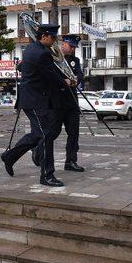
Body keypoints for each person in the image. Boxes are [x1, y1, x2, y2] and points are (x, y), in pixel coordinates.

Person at [0, 24, 73, 187]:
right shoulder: (42, 54)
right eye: (53, 38)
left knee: (37, 134)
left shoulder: (31, 48)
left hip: (31, 100)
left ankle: (10, 156)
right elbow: (52, 77)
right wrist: (66, 82)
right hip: (36, 101)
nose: (55, 42)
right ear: (44, 36)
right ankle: (47, 175)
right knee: (46, 135)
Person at [32, 35, 85, 172]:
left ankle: (71, 161)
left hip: (71, 101)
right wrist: (64, 81)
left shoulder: (75, 61)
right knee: (53, 132)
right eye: (70, 46)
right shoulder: (51, 57)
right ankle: (39, 150)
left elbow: (79, 75)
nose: (73, 49)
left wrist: (75, 80)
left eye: (74, 47)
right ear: (63, 44)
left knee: (74, 133)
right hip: (56, 101)